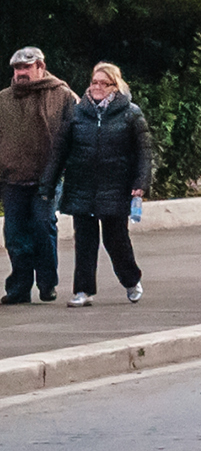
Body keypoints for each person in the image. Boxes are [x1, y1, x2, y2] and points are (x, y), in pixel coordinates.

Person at [43, 61, 148, 306]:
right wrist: (47, 184)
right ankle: (83, 291)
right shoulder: (77, 112)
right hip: (82, 187)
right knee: (85, 242)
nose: (97, 87)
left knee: (116, 241)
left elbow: (143, 152)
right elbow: (60, 151)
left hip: (116, 187)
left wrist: (140, 183)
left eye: (104, 83)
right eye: (94, 82)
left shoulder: (131, 113)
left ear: (115, 86)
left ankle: (131, 280)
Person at [2, 47, 77, 303]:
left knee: (43, 228)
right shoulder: (4, 99)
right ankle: (19, 288)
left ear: (40, 67)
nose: (21, 73)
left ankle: (47, 284)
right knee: (14, 234)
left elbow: (75, 134)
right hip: (12, 178)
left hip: (47, 178)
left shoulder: (62, 95)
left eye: (26, 67)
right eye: (17, 68)